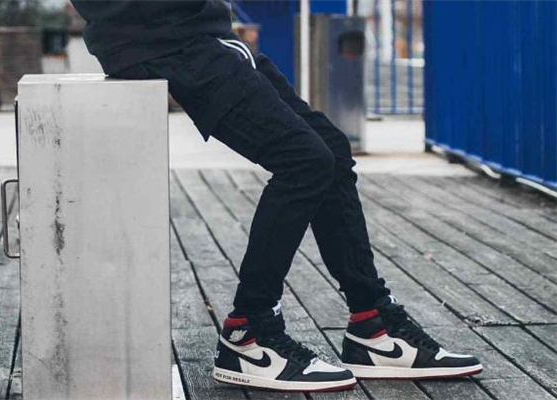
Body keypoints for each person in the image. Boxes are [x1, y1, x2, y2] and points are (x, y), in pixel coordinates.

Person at [71, 0, 483, 392]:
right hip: (163, 40)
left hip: (194, 33)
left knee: (331, 151)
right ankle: (249, 332)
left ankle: (372, 324)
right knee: (303, 161)